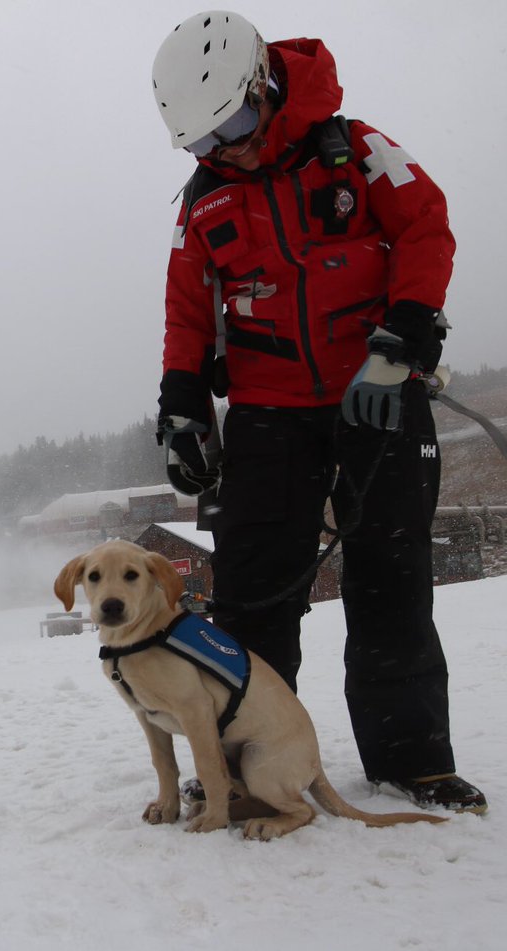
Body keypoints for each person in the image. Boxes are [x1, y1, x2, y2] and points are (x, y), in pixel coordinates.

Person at [150, 10, 485, 813]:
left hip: (377, 397)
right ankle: (239, 765)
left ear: (264, 85)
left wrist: (401, 338)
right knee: (253, 597)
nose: (224, 148)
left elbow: (426, 227)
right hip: (268, 417)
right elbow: (187, 313)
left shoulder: (357, 151)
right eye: (202, 142)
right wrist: (184, 404)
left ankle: (413, 759)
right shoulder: (202, 207)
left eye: (231, 124)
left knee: (389, 580)